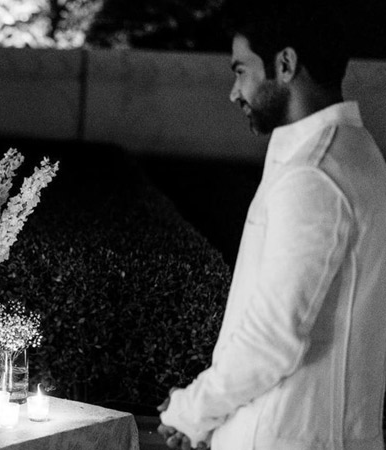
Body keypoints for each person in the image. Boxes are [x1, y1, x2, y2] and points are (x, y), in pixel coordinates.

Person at [158, 0, 386, 449]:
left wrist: (191, 412)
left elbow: (272, 338)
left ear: (285, 64)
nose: (233, 91)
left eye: (241, 70)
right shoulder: (361, 154)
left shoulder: (313, 175)